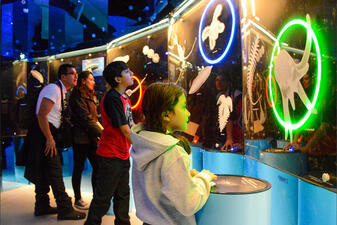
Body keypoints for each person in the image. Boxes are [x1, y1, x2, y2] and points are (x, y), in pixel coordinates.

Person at [131, 82, 217, 225]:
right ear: (166, 115)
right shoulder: (172, 152)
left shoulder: (143, 143)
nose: (188, 113)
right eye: (183, 107)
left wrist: (186, 177)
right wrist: (204, 178)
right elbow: (189, 202)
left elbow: (156, 183)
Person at [23, 64, 86, 220]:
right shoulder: (53, 89)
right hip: (45, 135)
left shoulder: (60, 91)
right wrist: (49, 138)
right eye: (72, 73)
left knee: (44, 171)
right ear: (62, 76)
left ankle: (42, 205)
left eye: (76, 74)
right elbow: (42, 114)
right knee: (55, 171)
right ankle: (65, 209)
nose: (75, 76)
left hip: (45, 135)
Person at [84, 61, 134, 225]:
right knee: (103, 197)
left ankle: (123, 222)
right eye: (127, 72)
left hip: (122, 153)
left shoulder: (124, 96)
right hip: (110, 155)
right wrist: (142, 146)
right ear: (118, 79)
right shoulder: (112, 98)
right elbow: (125, 130)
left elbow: (130, 126)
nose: (131, 73)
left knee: (123, 193)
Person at [69, 70, 102, 210]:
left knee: (97, 166)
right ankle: (77, 198)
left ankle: (97, 198)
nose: (93, 82)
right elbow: (85, 118)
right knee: (78, 168)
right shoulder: (76, 96)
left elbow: (94, 118)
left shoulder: (91, 96)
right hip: (81, 138)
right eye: (91, 79)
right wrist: (101, 133)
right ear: (83, 80)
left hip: (91, 138)